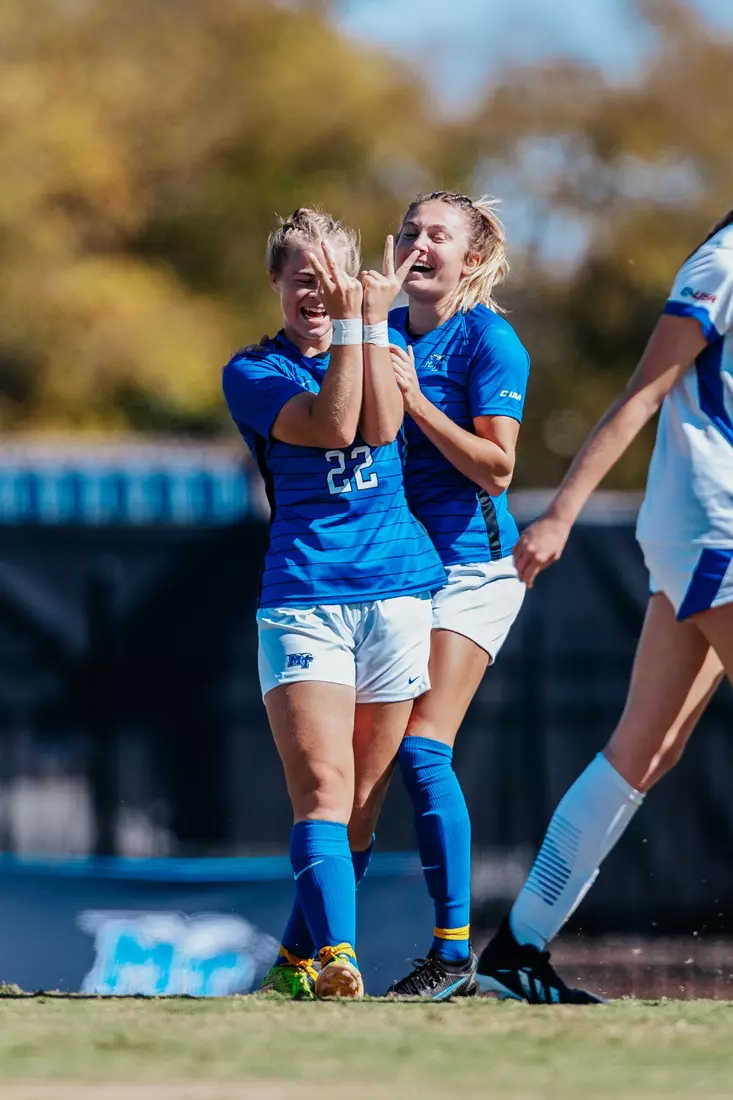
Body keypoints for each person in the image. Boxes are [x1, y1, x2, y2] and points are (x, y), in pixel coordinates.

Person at [477, 209, 733, 1004]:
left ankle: (516, 950)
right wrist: (558, 513)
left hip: (706, 529)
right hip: (714, 523)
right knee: (640, 750)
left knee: (644, 752)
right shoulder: (723, 264)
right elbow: (640, 395)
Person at [222, 208, 445, 1000]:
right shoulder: (252, 371)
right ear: (276, 284)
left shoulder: (378, 339)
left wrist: (367, 325)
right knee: (321, 786)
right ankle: (338, 958)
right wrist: (364, 322)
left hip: (396, 594)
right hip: (306, 597)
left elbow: (380, 426)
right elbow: (333, 423)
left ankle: (290, 962)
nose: (315, 295)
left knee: (358, 807)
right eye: (300, 280)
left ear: (353, 279)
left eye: (331, 280)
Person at [384, 191, 530, 999]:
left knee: (420, 746)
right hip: (392, 570)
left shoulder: (488, 340)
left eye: (437, 234)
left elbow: (498, 469)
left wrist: (413, 401)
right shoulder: (382, 334)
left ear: (469, 260)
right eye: (409, 231)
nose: (418, 243)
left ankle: (451, 952)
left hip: (471, 570)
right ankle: (314, 954)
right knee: (361, 757)